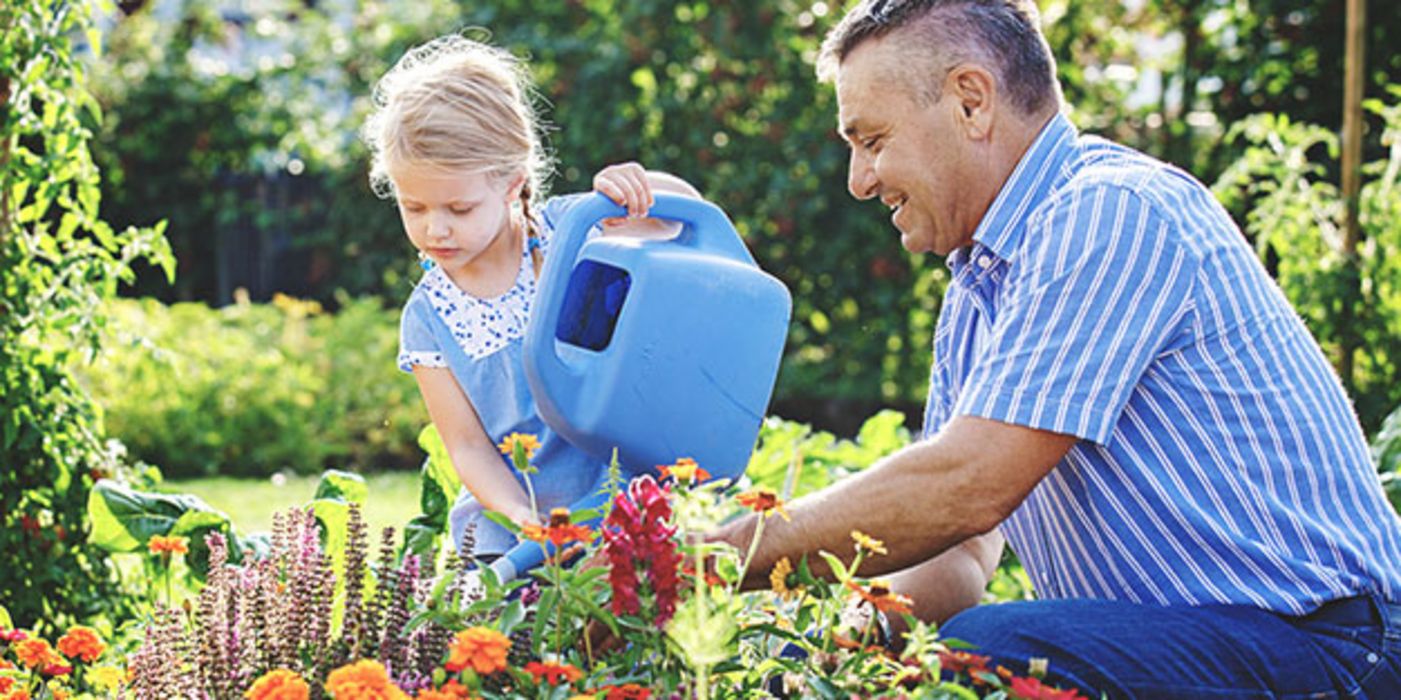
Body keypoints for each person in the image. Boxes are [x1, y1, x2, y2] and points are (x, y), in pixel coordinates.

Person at [712, 1, 1401, 696]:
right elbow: (959, 551)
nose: (859, 181)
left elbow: (966, 487)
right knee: (936, 658)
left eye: (872, 140)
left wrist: (708, 563)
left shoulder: (1109, 212)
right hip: (1220, 649)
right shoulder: (979, 295)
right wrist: (843, 648)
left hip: (1335, 651)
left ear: (970, 102)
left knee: (987, 651)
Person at [364, 34, 700, 583]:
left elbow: (681, 220)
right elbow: (467, 446)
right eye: (414, 206)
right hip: (508, 545)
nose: (435, 227)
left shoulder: (572, 231)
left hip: (618, 517)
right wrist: (522, 518)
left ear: (513, 183)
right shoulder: (428, 318)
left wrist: (640, 187)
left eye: (458, 206)